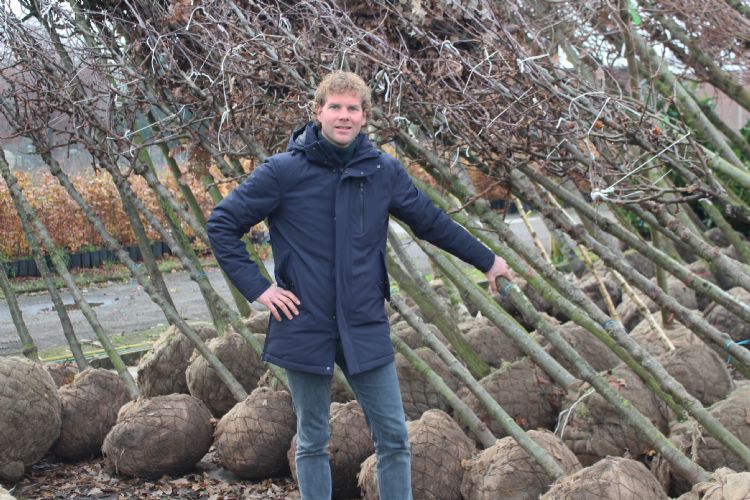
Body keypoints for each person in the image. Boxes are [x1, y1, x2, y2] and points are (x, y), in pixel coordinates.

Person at [206, 71, 512, 499]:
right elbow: (222, 224)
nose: (344, 115)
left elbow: (431, 222)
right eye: (335, 107)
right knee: (312, 438)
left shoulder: (383, 171)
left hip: (363, 320)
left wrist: (488, 260)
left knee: (394, 437)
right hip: (304, 321)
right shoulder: (283, 172)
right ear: (318, 112)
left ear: (365, 116)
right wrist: (260, 289)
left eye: (353, 108)